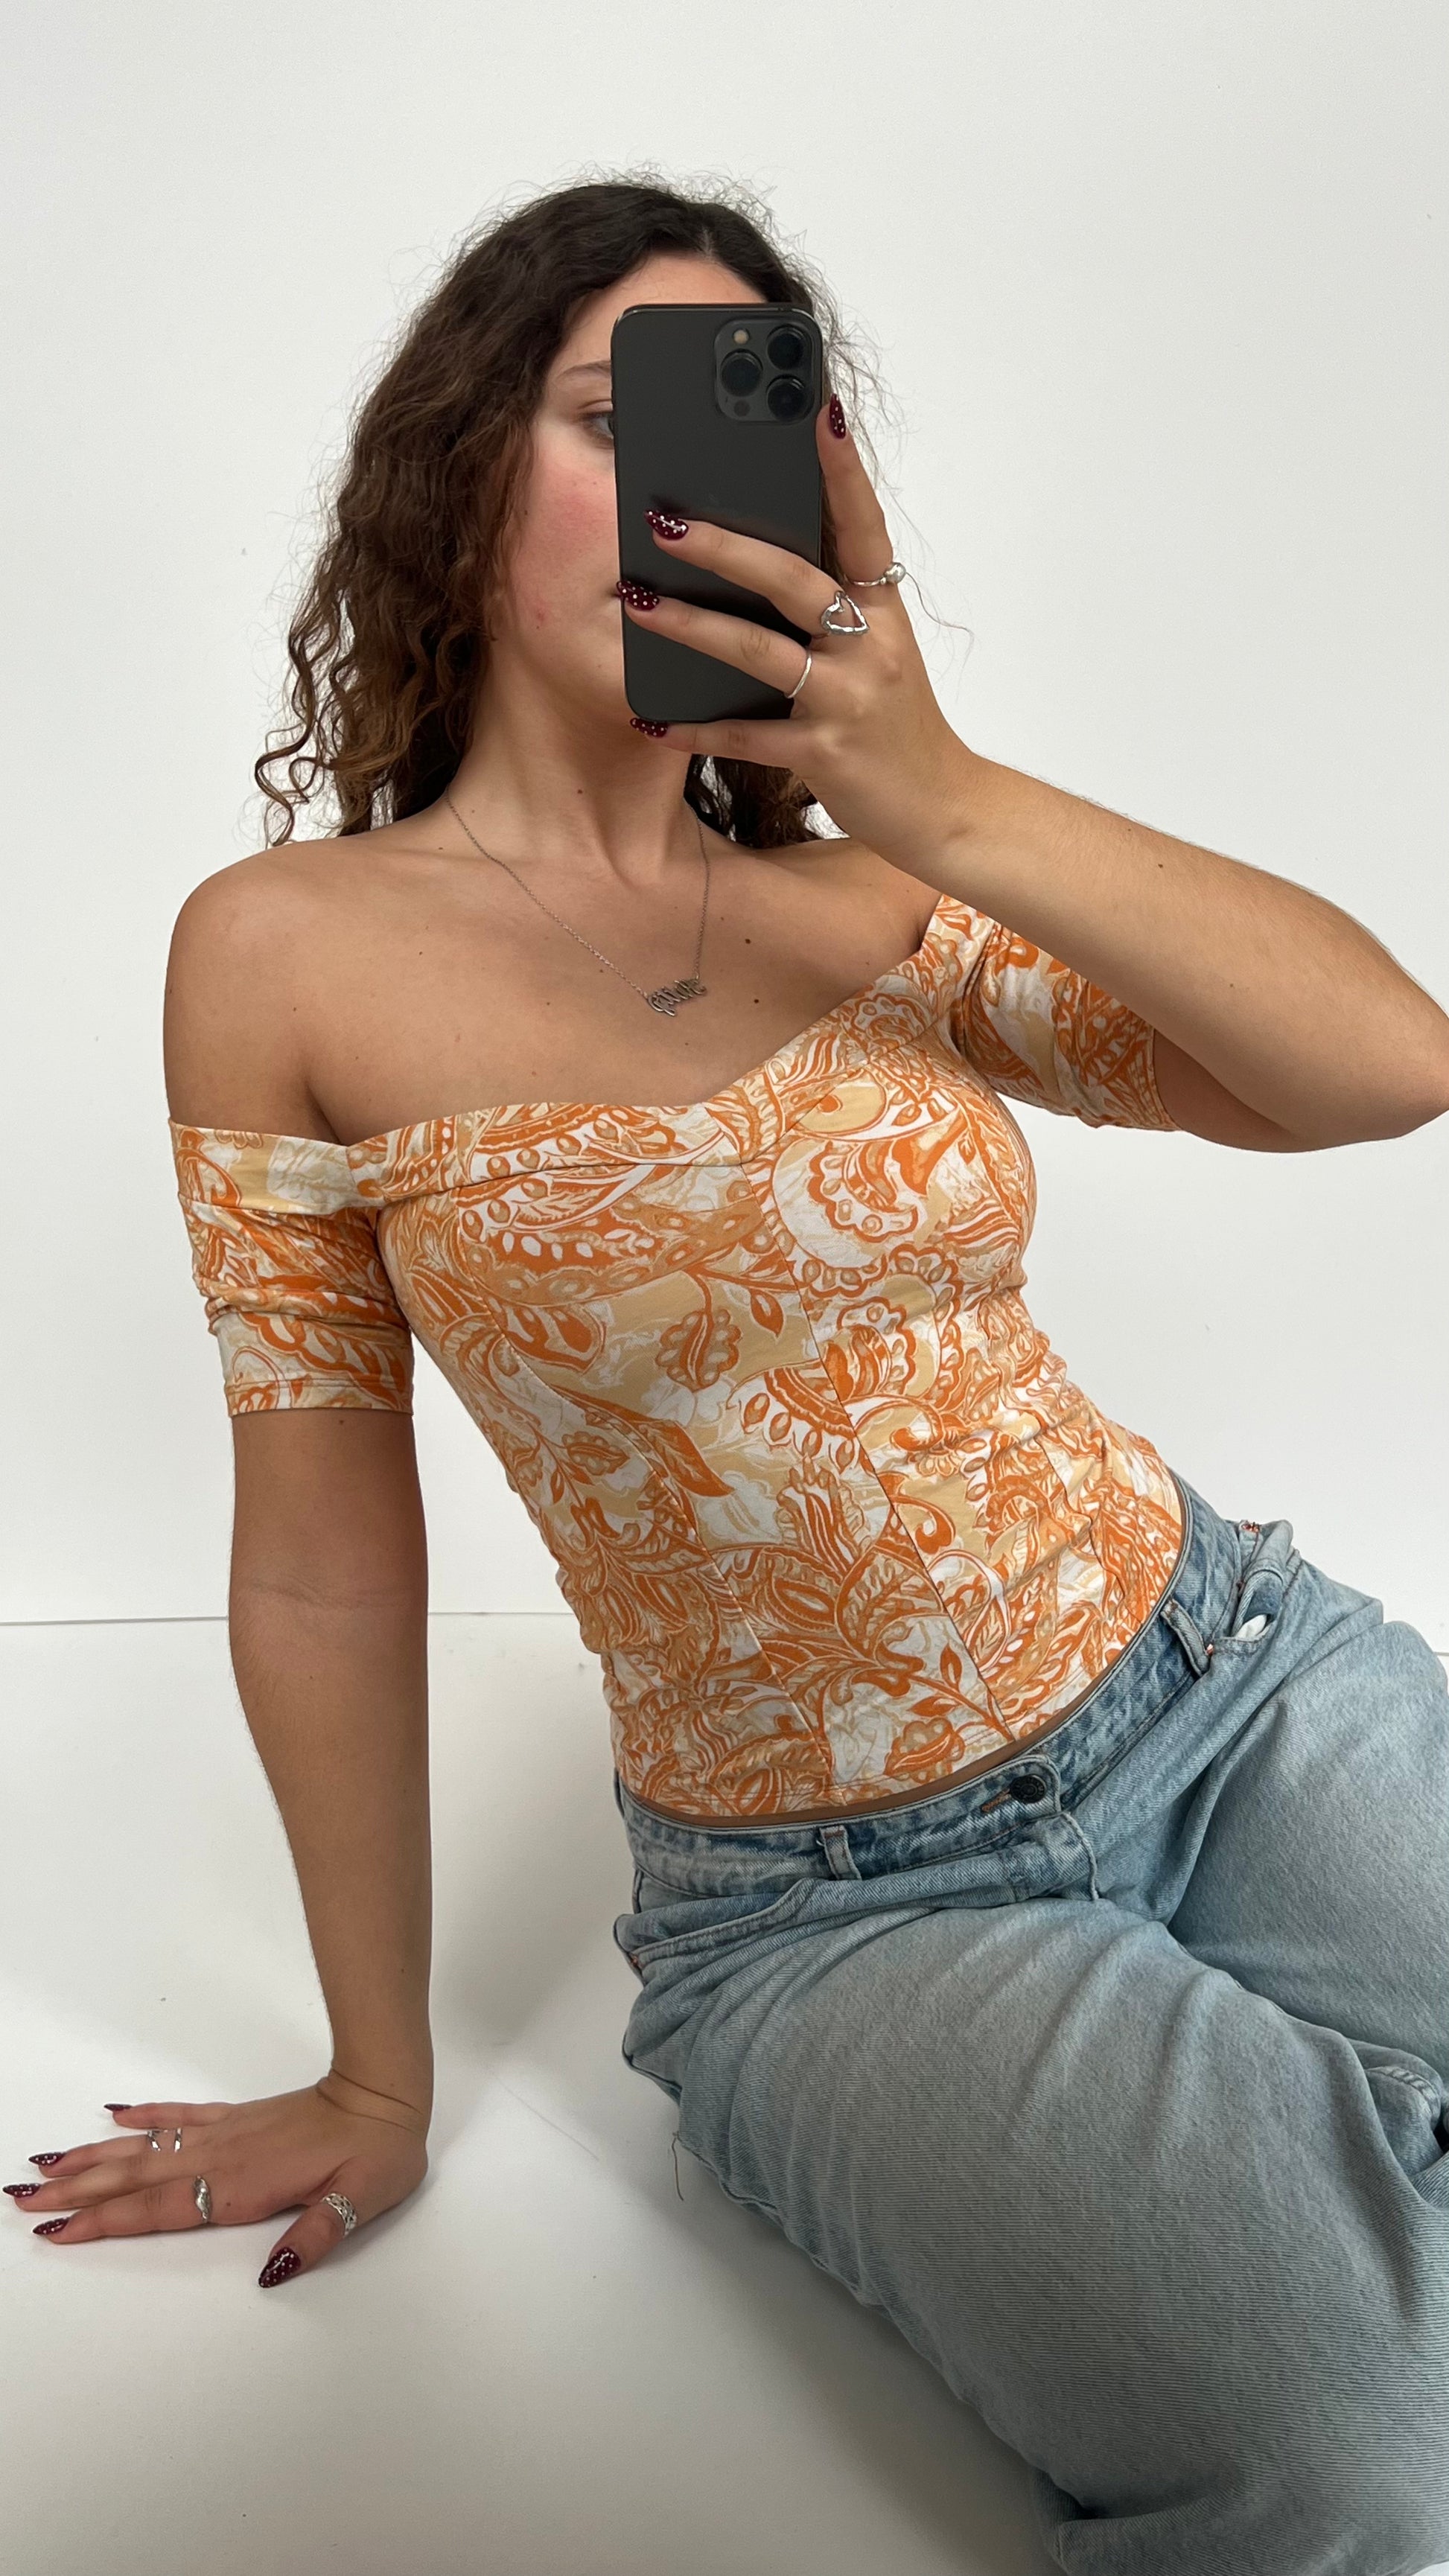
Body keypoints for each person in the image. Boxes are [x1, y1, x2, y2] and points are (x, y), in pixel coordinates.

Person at [13, 176, 1449, 2573]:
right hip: (844, 1908)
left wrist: (941, 790)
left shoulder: (875, 895)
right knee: (1361, 2453)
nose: (691, 493)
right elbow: (327, 1552)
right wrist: (379, 2072)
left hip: (1227, 1680)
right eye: (618, 417)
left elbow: (1384, 1066)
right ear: (458, 466)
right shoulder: (281, 954)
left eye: (749, 429)